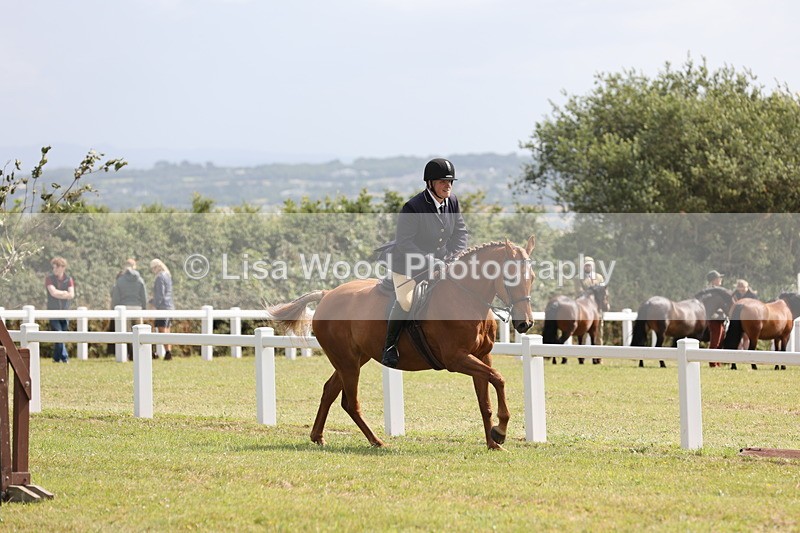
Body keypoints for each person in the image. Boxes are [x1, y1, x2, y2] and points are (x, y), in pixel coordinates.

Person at [378, 157, 469, 368]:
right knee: (406, 301)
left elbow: (460, 232)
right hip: (408, 264)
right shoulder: (413, 206)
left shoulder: (452, 201)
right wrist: (429, 261)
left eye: (450, 182)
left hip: (442, 263)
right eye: (442, 182)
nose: (448, 185)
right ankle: (389, 347)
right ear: (430, 183)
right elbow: (404, 243)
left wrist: (455, 255)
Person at [45, 256, 75, 363]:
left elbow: (72, 294)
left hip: (65, 311)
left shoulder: (69, 279)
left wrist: (61, 293)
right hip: (53, 311)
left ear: (62, 267)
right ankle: (64, 357)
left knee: (62, 333)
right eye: (53, 268)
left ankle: (56, 358)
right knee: (58, 332)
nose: (54, 270)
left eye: (56, 267)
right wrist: (64, 293)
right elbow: (53, 293)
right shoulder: (49, 279)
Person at [149, 259, 175, 360]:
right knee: (167, 329)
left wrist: (154, 304)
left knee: (161, 329)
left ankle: (167, 352)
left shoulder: (160, 277)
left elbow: (160, 294)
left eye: (153, 268)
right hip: (169, 305)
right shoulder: (167, 276)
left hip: (163, 306)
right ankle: (168, 351)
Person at [705, 270, 726, 366]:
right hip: (714, 319)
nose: (720, 279)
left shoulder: (718, 291)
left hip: (721, 318)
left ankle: (717, 362)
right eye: (718, 278)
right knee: (715, 341)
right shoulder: (711, 291)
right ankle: (712, 363)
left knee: (719, 341)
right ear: (713, 280)